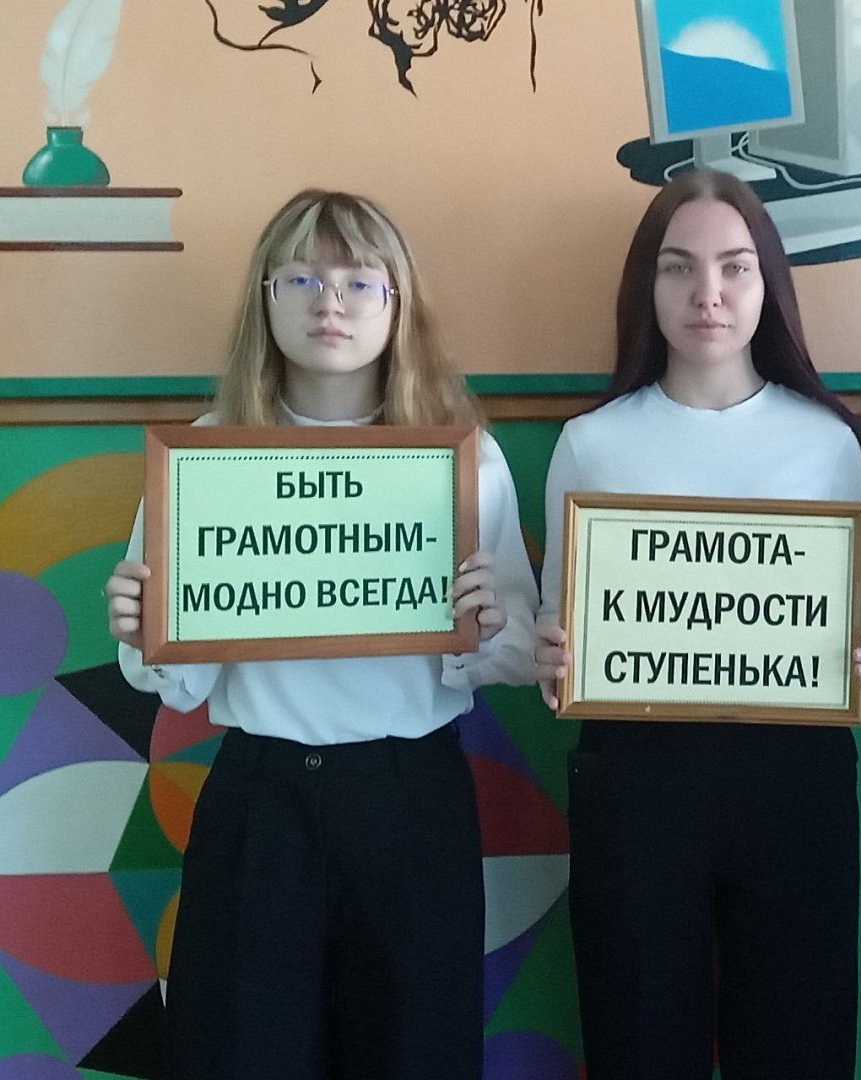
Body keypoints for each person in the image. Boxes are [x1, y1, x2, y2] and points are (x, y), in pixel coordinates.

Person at [106, 189, 539, 1080]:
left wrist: (485, 630)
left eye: (358, 282)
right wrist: (147, 634)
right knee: (240, 1052)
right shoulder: (206, 455)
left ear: (397, 302)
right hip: (259, 797)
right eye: (299, 278)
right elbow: (173, 678)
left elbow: (521, 647)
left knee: (414, 1052)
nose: (329, 303)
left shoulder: (459, 455)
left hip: (410, 794)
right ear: (264, 300)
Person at [536, 169, 861, 1080]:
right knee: (639, 1040)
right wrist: (553, 658)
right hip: (636, 780)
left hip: (796, 779)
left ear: (768, 283)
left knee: (802, 1040)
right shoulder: (591, 443)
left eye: (735, 266)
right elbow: (556, 632)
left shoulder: (826, 440)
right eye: (678, 267)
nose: (708, 293)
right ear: (645, 286)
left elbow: (859, 612)